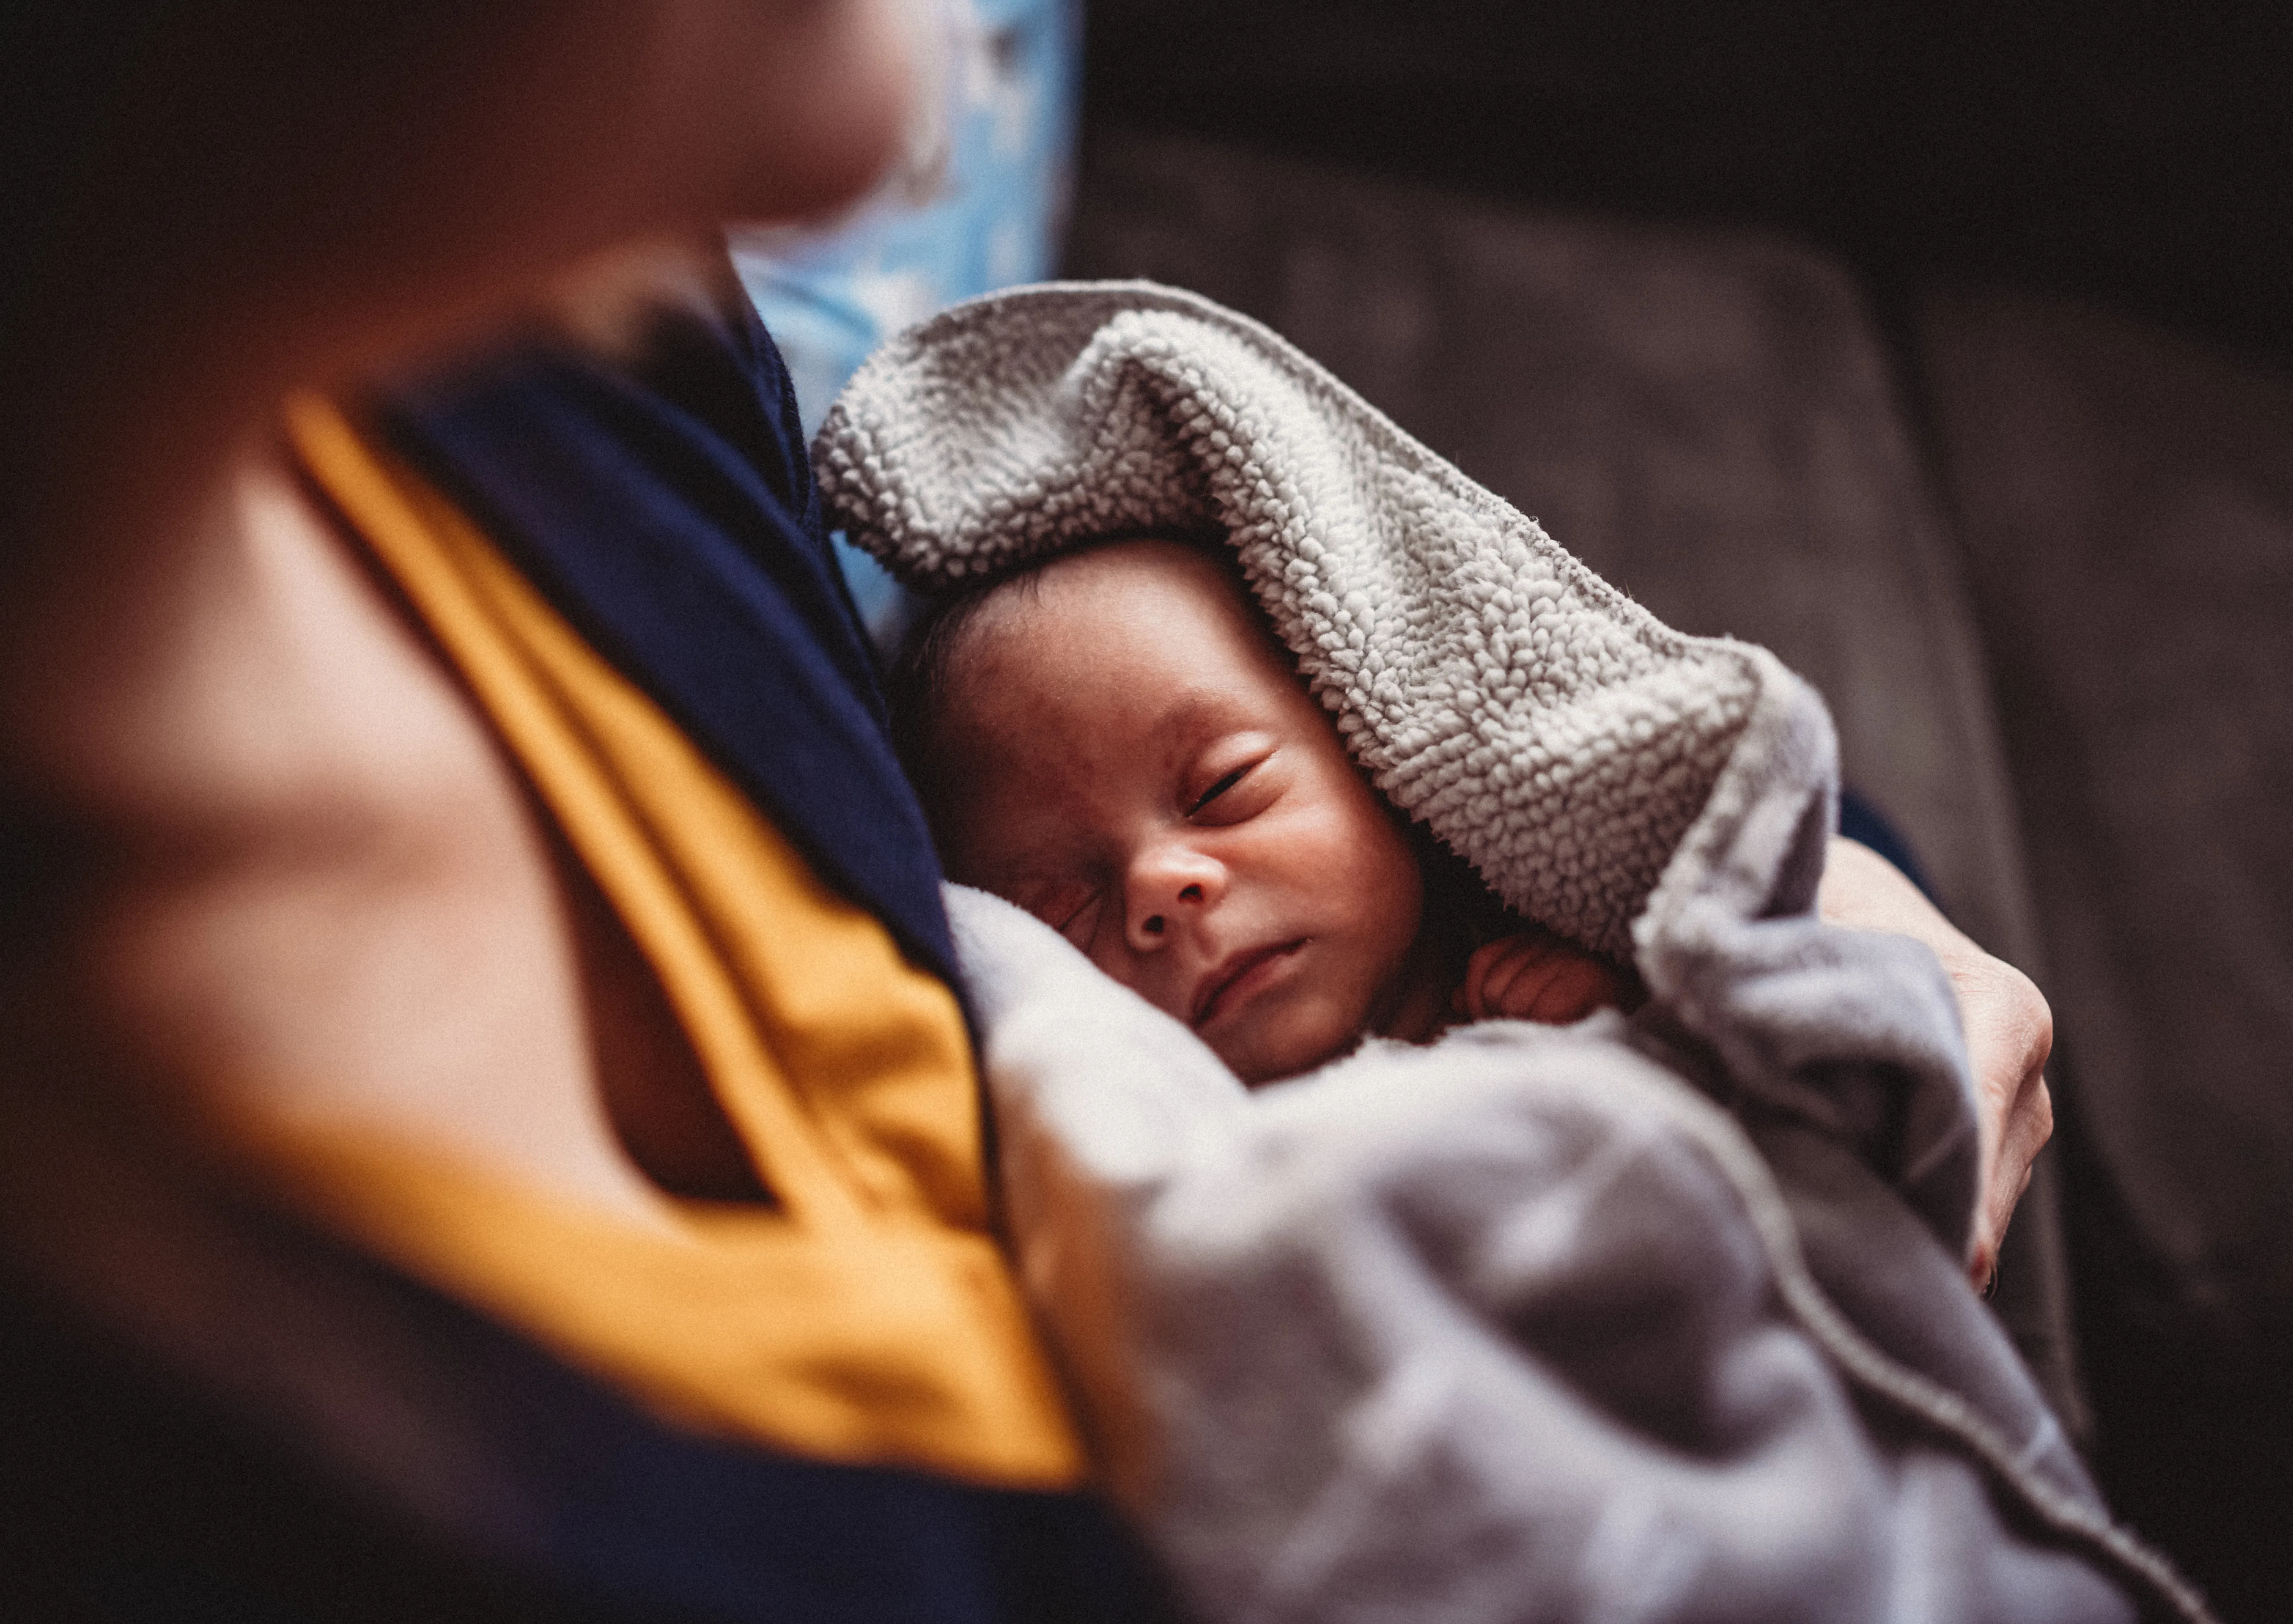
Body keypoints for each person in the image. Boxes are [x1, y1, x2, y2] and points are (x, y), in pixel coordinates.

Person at [0, 2, 2054, 1615]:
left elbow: (1539, 754)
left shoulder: (574, 357)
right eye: (1067, 897)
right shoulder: (231, 1475)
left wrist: (1850, 906)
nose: (1153, 895)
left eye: (1229, 795)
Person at [891, 534, 1630, 1087]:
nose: (1160, 882)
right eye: (1066, 915)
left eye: (1224, 787)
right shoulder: (1162, 1147)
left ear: (1363, 736)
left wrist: (1614, 1032)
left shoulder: (1576, 977)